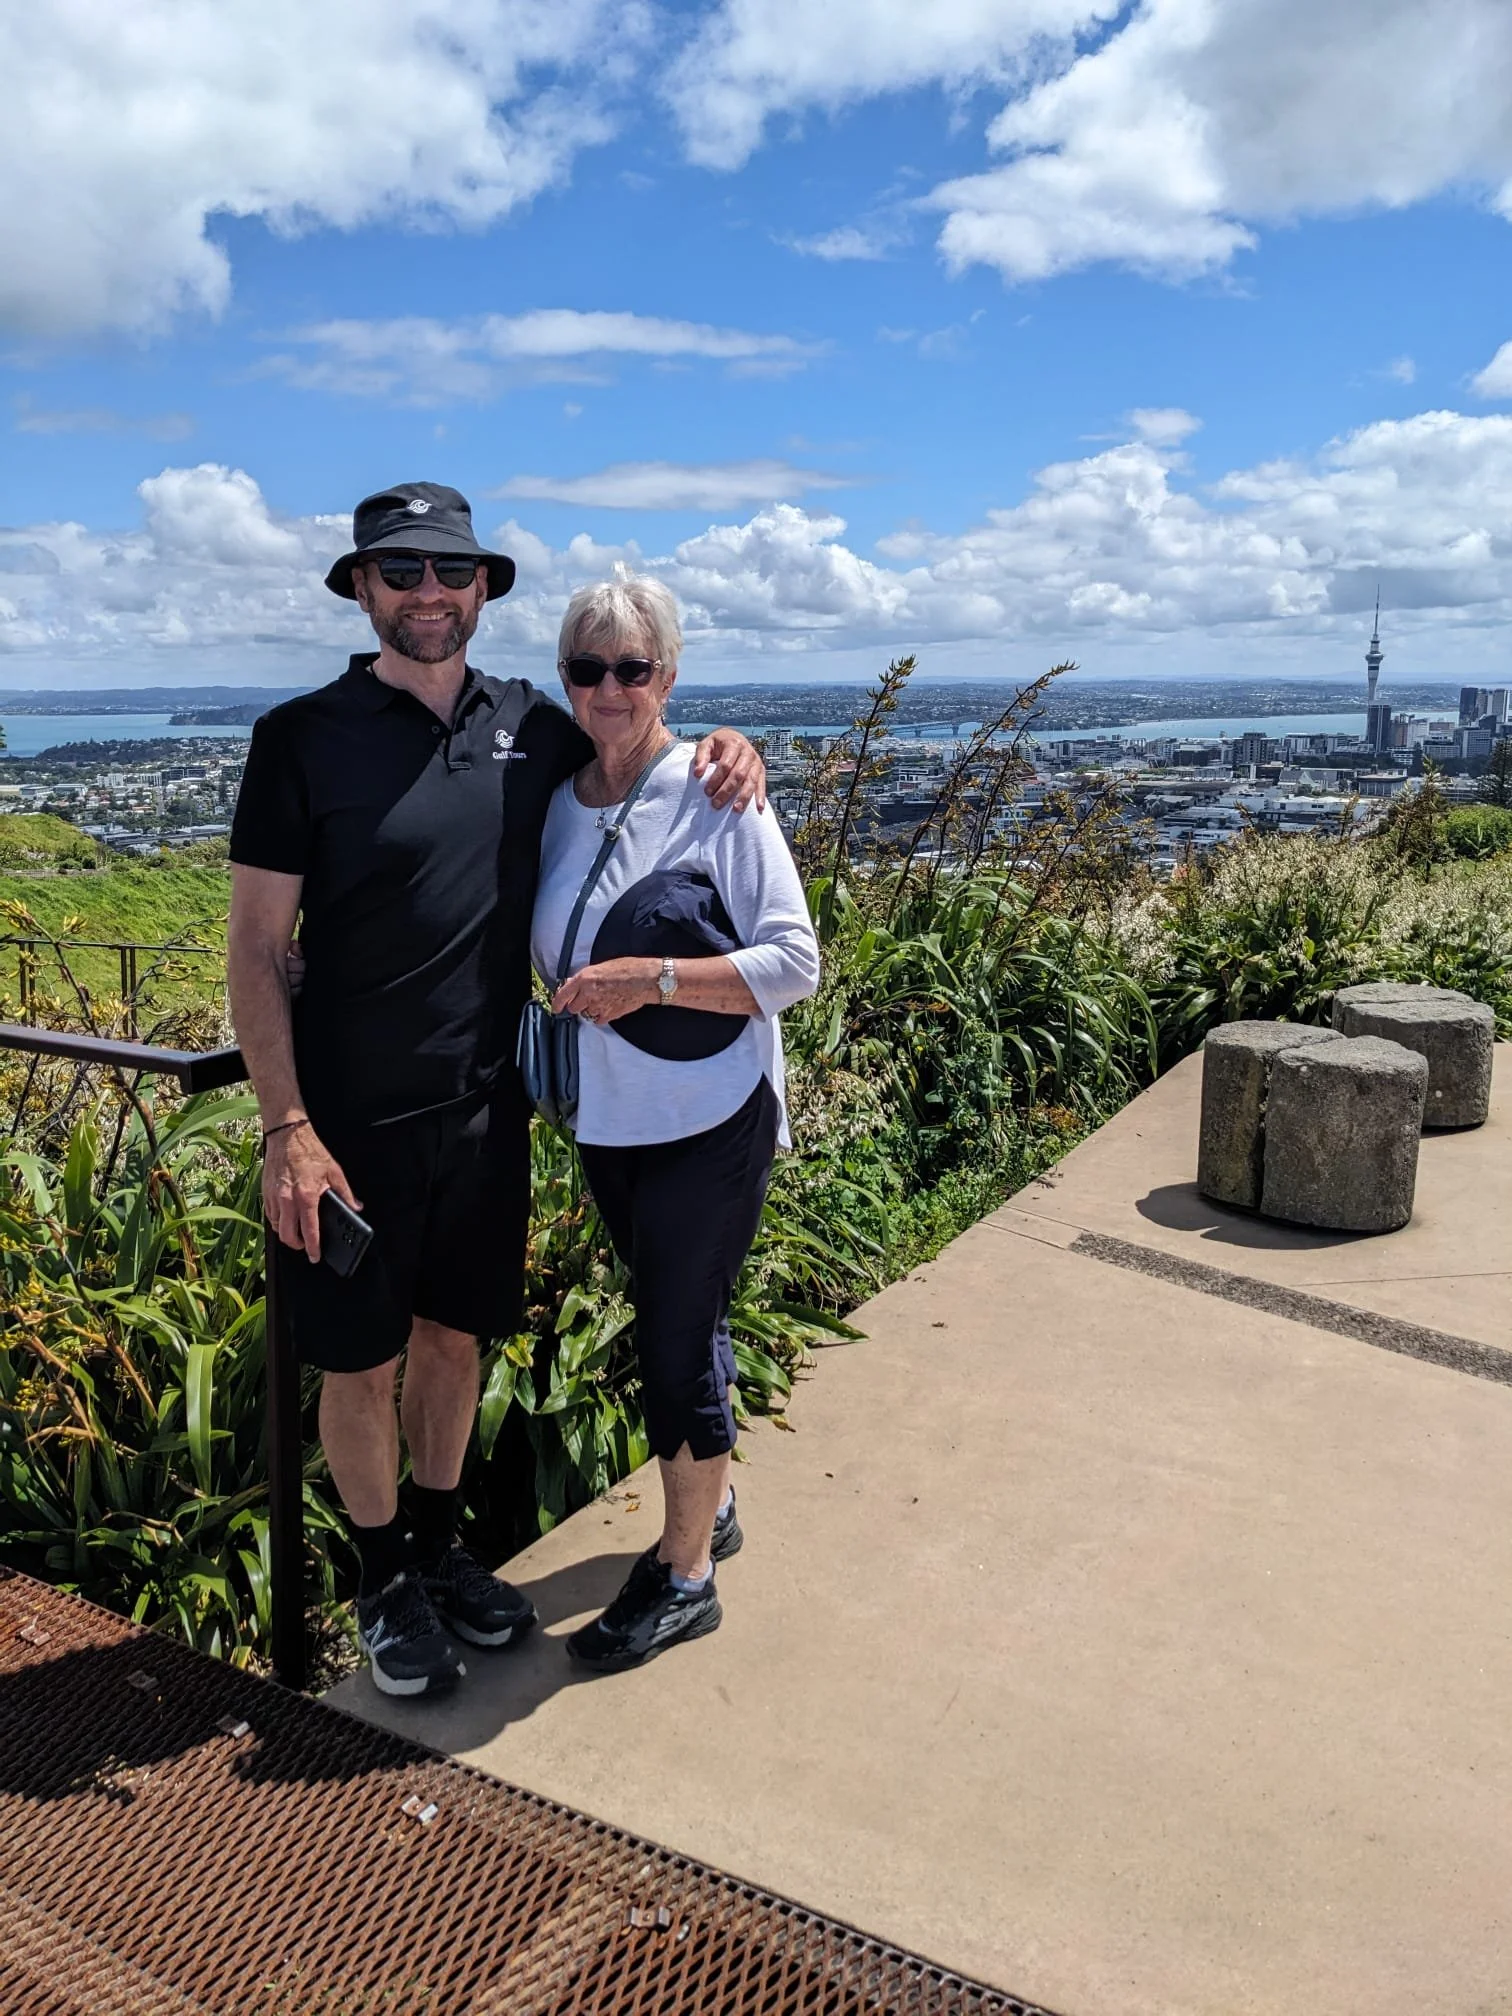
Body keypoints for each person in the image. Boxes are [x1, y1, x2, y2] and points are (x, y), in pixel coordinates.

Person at [226, 483, 765, 1699]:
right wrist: (287, 1127)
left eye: (450, 573)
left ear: (484, 591)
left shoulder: (538, 723)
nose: (429, 593)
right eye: (401, 572)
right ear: (360, 589)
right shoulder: (300, 738)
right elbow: (257, 949)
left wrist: (737, 749)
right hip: (345, 1123)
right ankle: (379, 1582)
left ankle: (433, 1548)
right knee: (359, 1365)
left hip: (484, 1111)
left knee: (455, 1340)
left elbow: (647, 746)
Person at [531, 575, 820, 1670]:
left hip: (709, 1117)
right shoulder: (557, 801)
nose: (610, 689)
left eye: (634, 668)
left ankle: (687, 1574)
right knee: (681, 1318)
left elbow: (796, 964)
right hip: (609, 1120)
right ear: (566, 680)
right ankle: (720, 1502)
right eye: (588, 669)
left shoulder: (715, 790)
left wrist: (650, 978)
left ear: (670, 677)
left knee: (669, 1343)